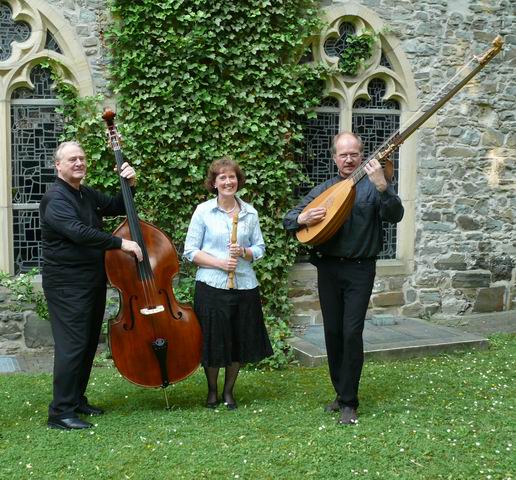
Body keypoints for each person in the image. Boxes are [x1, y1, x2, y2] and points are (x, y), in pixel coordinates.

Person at [283, 132, 404, 425]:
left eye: (354, 154)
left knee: (351, 333)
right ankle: (340, 393)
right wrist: (302, 219)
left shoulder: (375, 187)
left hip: (360, 270)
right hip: (328, 269)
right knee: (333, 334)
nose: (348, 159)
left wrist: (383, 187)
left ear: (361, 156)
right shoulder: (325, 188)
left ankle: (350, 402)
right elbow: (289, 218)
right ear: (334, 158)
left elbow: (396, 215)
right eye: (343, 154)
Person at [40, 141, 143, 430]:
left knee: (86, 344)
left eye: (82, 158)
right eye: (72, 159)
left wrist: (130, 184)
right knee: (72, 346)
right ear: (58, 165)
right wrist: (121, 243)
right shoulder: (56, 198)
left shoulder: (84, 193)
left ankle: (75, 400)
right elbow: (79, 232)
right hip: (66, 284)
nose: (79, 163)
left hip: (91, 279)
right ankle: (60, 413)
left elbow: (118, 205)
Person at [183, 157, 273, 410]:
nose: (228, 181)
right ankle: (212, 391)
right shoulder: (203, 211)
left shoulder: (249, 213)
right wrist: (220, 263)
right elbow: (190, 251)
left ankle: (228, 392)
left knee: (238, 340)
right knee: (212, 340)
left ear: (238, 180)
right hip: (211, 286)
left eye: (231, 176)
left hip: (244, 286)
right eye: (222, 177)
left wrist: (244, 252)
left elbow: (260, 248)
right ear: (214, 182)